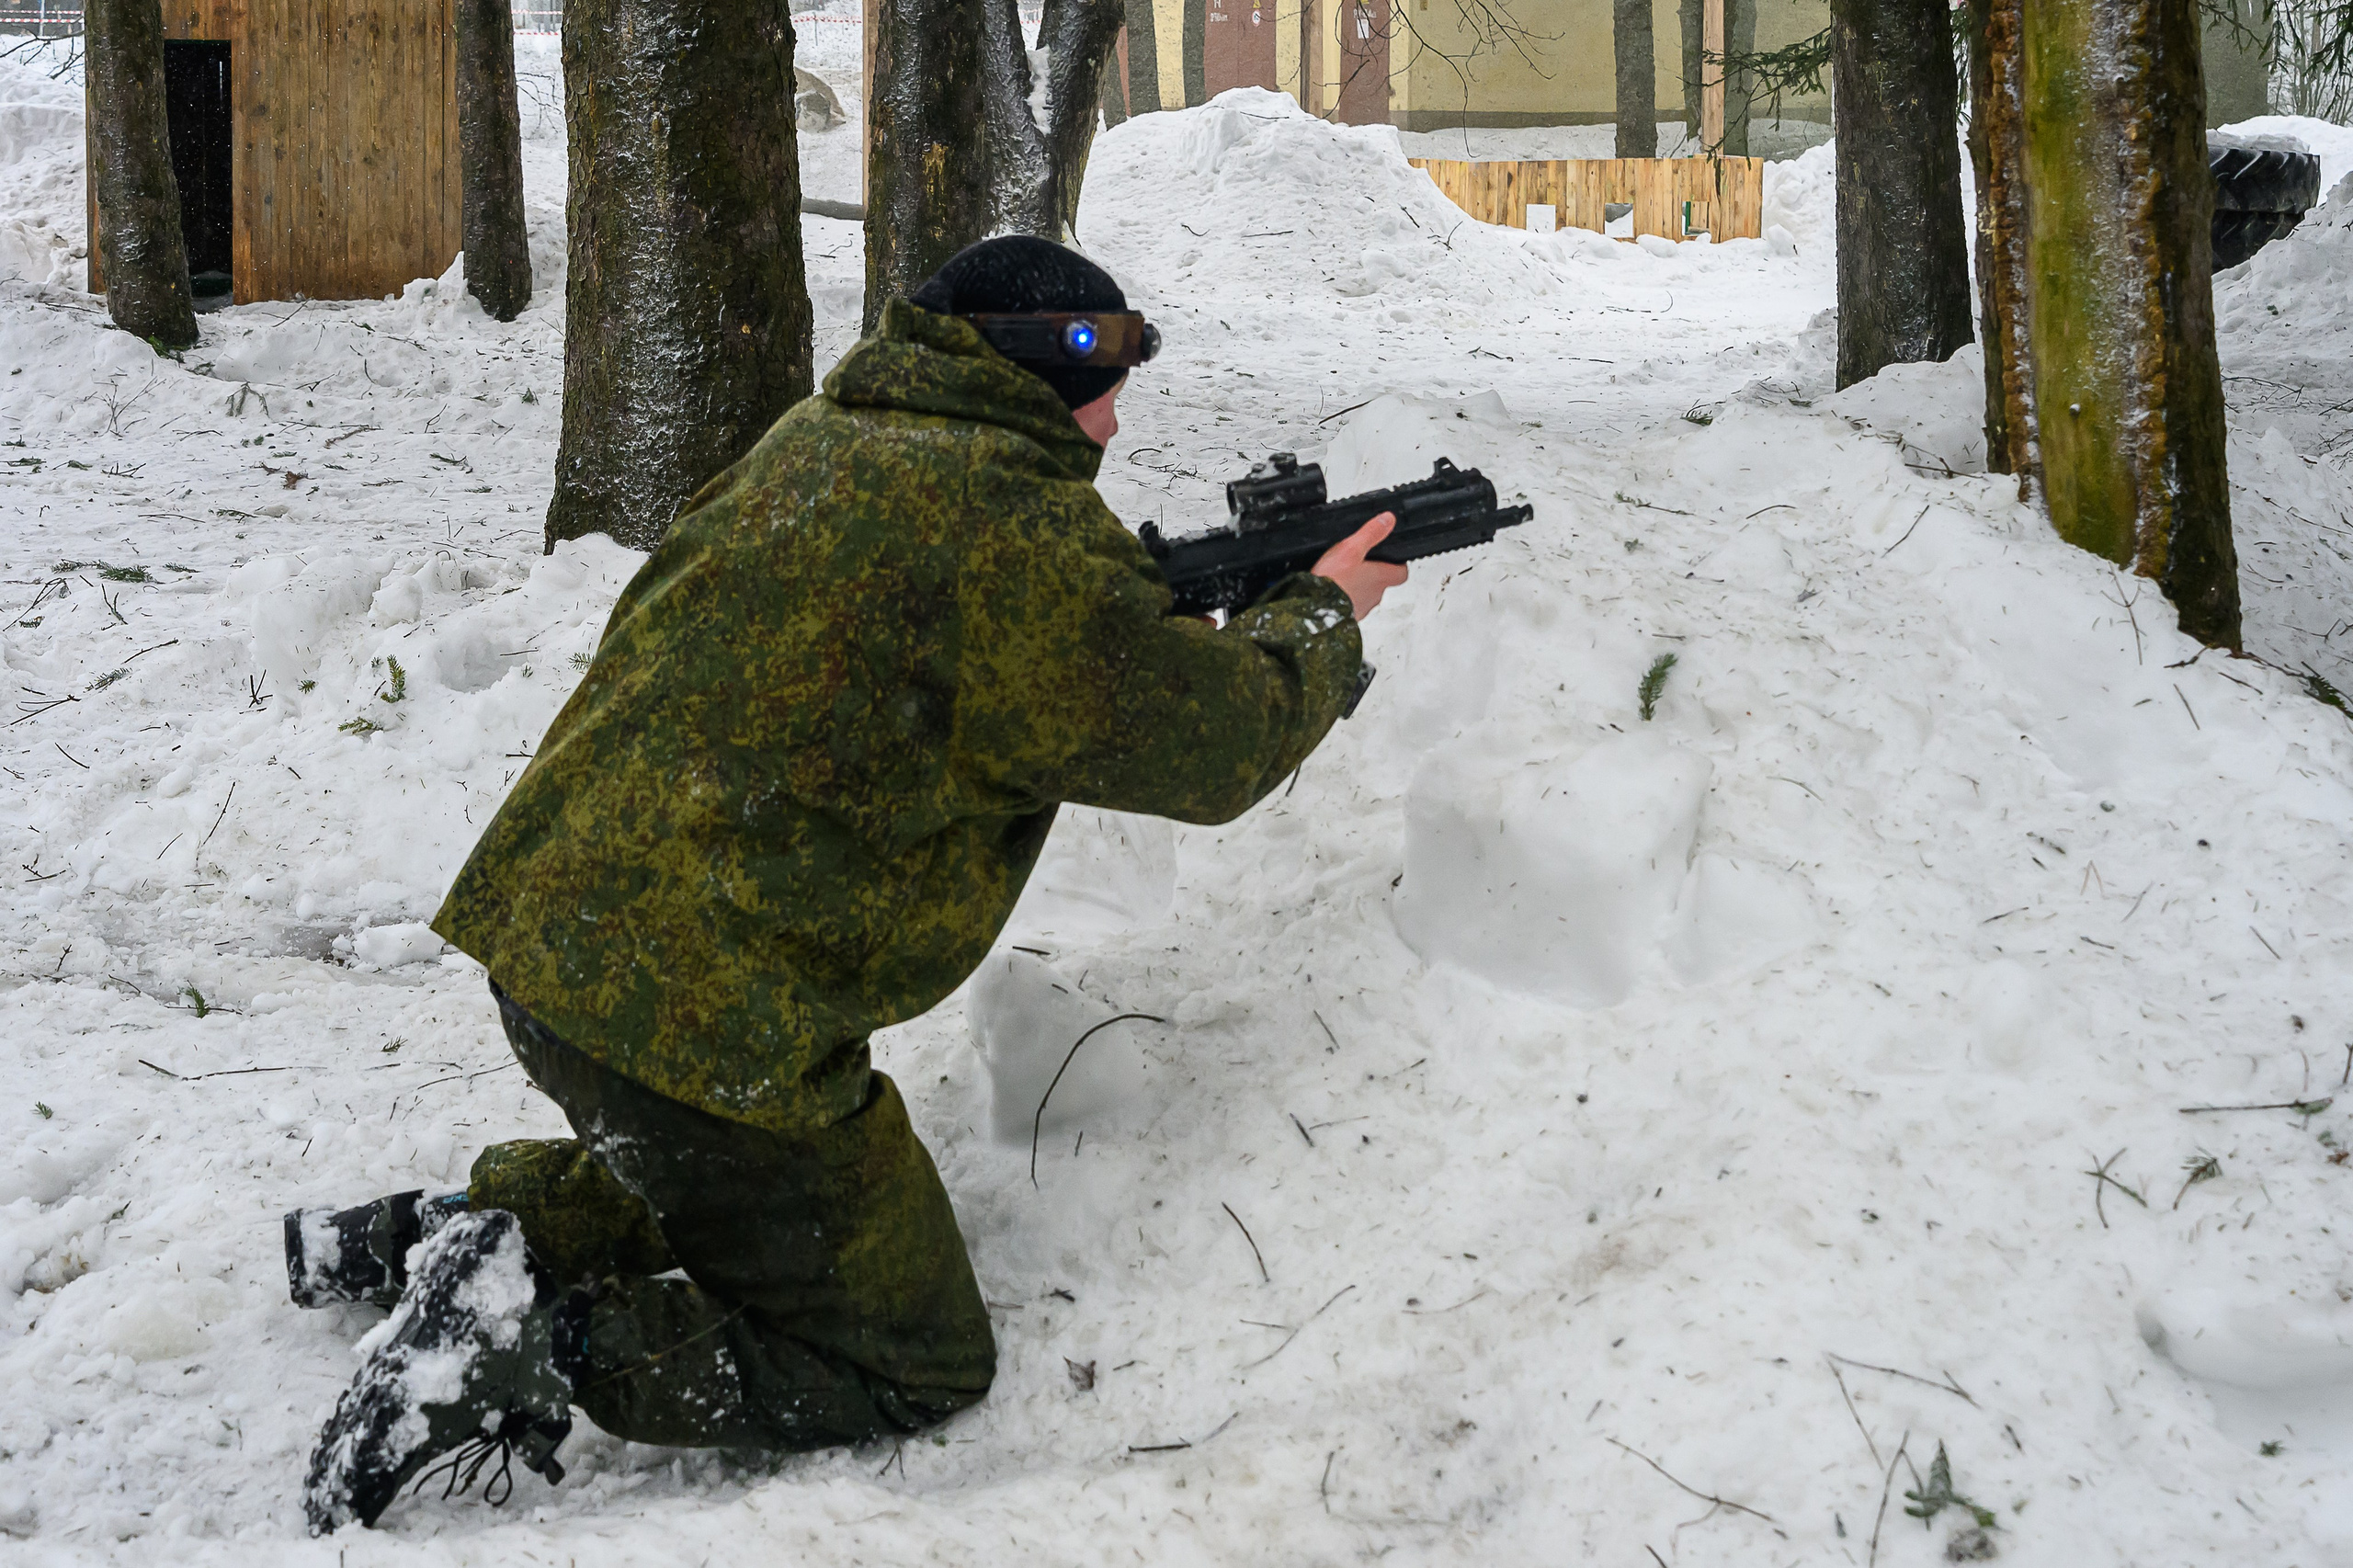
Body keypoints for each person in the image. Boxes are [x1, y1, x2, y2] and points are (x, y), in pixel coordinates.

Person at [290, 235, 1405, 1533]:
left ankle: (428, 1234)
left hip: (555, 944)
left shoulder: (832, 436)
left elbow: (963, 641)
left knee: (709, 1172)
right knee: (911, 1352)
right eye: (1101, 371)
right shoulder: (1014, 525)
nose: (1116, 407)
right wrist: (1322, 614)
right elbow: (1217, 748)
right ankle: (522, 1337)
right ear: (1034, 373)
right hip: (712, 1023)